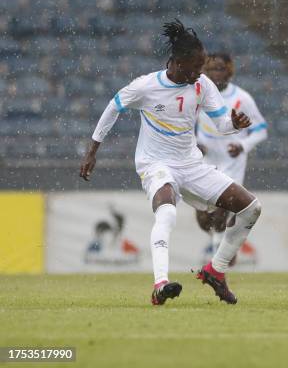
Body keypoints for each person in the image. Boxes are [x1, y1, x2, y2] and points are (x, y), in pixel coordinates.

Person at [79, 19, 262, 306]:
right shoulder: (146, 86)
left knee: (251, 207)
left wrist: (235, 124)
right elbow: (113, 107)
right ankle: (160, 284)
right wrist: (92, 151)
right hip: (156, 164)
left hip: (191, 165)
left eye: (202, 66)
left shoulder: (202, 85)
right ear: (176, 62)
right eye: (195, 66)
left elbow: (222, 122)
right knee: (167, 213)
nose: (200, 72)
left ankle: (216, 270)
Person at [195, 53, 268, 259]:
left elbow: (261, 130)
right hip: (205, 162)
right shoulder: (198, 94)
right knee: (203, 219)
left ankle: (218, 265)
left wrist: (242, 145)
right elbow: (186, 124)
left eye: (219, 68)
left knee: (220, 212)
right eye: (210, 69)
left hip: (231, 163)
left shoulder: (241, 98)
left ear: (229, 71)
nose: (214, 73)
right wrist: (195, 145)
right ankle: (226, 243)